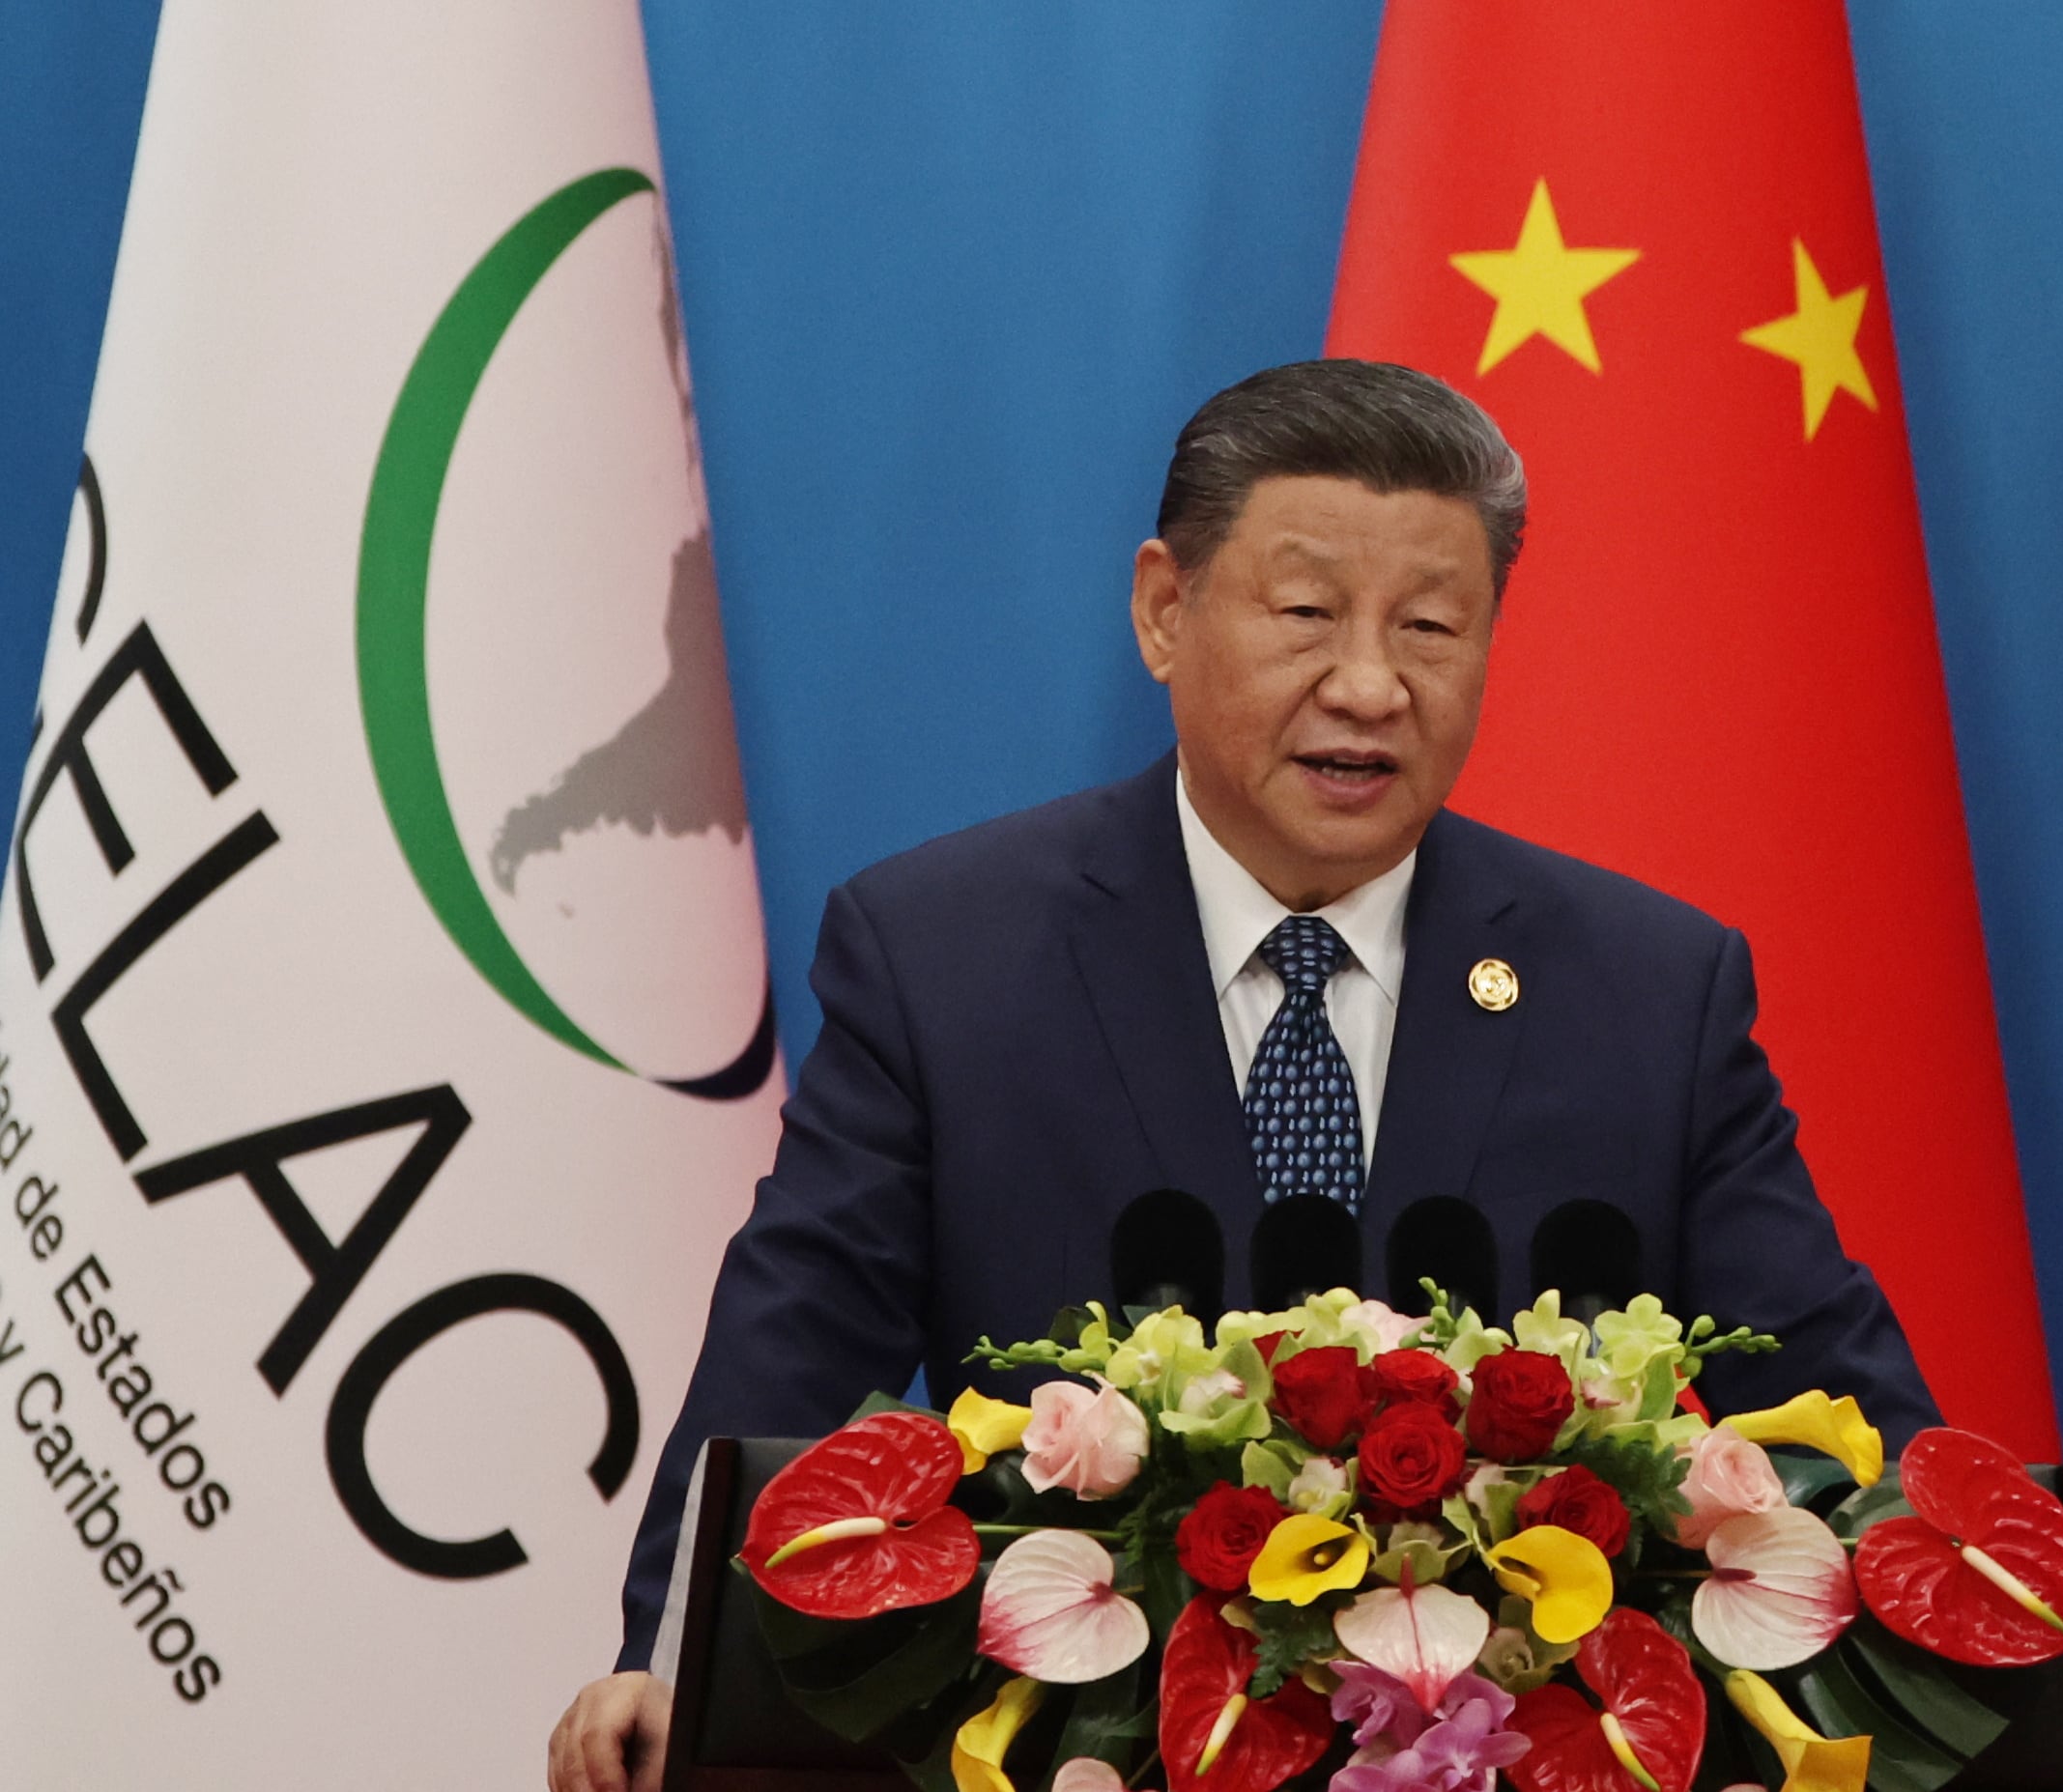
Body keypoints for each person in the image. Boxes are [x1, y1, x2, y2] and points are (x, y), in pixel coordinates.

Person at [545, 359, 1941, 1792]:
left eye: (1432, 628)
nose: (1369, 684)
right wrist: (668, 1664)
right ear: (1164, 609)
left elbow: (1830, 1388)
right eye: (1305, 615)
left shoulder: (1645, 990)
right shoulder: (944, 958)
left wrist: (2013, 1697)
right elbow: (796, 1353)